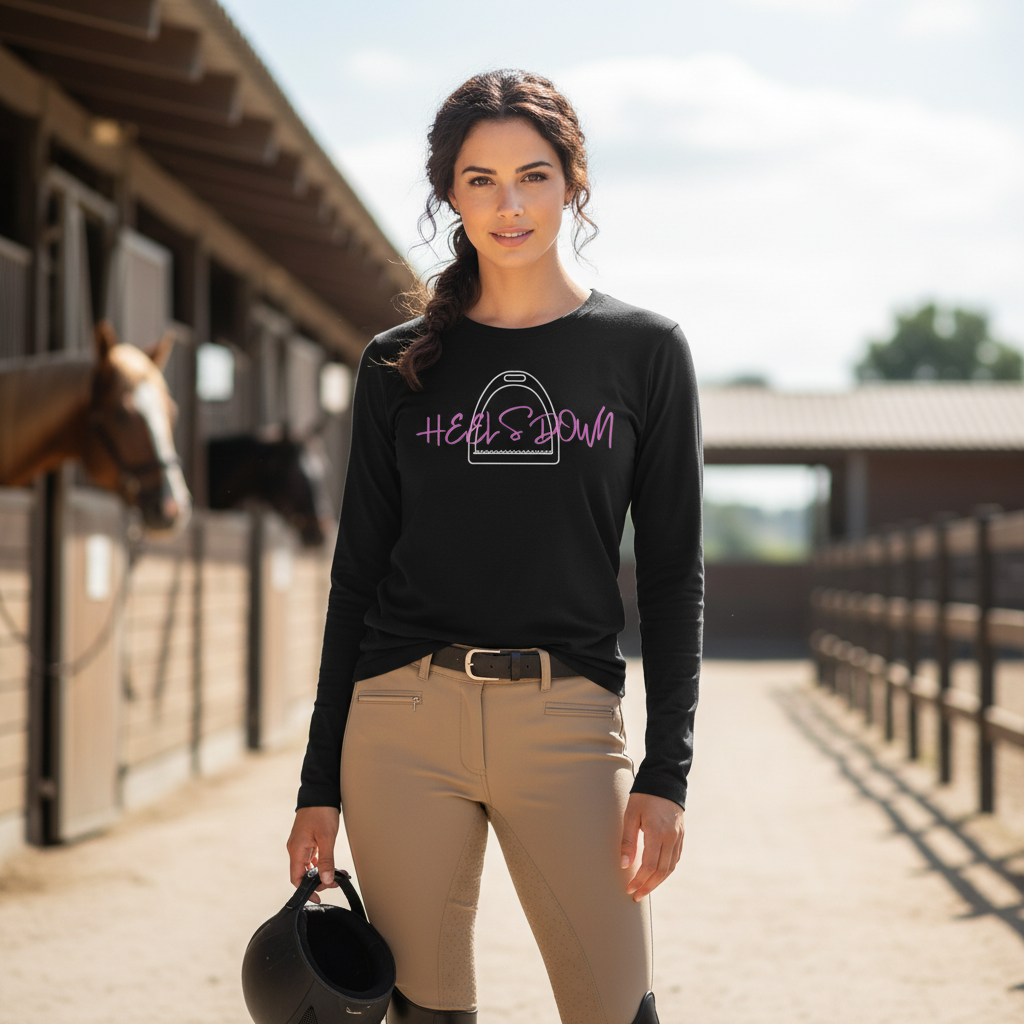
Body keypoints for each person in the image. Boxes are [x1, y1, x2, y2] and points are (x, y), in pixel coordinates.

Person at [287, 70, 703, 1024]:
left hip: (568, 723)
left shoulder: (645, 351)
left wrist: (666, 774)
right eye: (479, 180)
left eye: (533, 175)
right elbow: (356, 579)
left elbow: (676, 574)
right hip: (399, 723)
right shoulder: (398, 363)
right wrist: (319, 787)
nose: (508, 204)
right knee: (422, 1014)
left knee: (616, 1008)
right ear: (449, 195)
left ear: (573, 184)